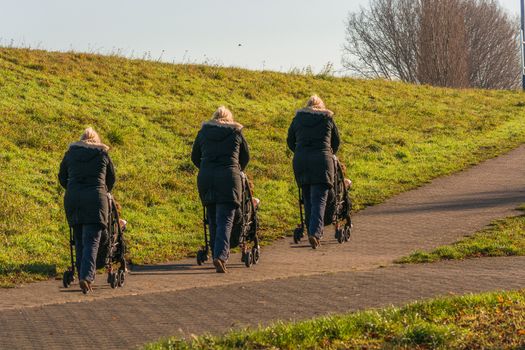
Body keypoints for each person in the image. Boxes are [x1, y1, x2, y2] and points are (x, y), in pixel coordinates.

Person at [191, 106, 250, 273]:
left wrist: (205, 168)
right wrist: (238, 170)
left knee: (212, 217)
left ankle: (216, 251)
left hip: (206, 178)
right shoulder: (235, 133)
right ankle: (220, 255)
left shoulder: (203, 133)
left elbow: (195, 157)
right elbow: (245, 156)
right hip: (229, 178)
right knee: (225, 219)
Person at [58, 127, 116, 293]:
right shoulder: (102, 154)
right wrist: (103, 191)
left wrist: (72, 189)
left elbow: (62, 177)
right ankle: (86, 277)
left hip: (73, 200)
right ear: (96, 140)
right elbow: (111, 179)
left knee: (79, 239)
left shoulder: (70, 154)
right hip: (95, 200)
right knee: (91, 240)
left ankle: (82, 273)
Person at [287, 95, 340, 249]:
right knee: (319, 198)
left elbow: (290, 140)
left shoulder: (297, 119)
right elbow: (336, 141)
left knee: (307, 196)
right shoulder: (327, 118)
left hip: (301, 161)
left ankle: (311, 229)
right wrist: (330, 154)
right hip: (322, 160)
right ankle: (315, 233)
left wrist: (299, 151)